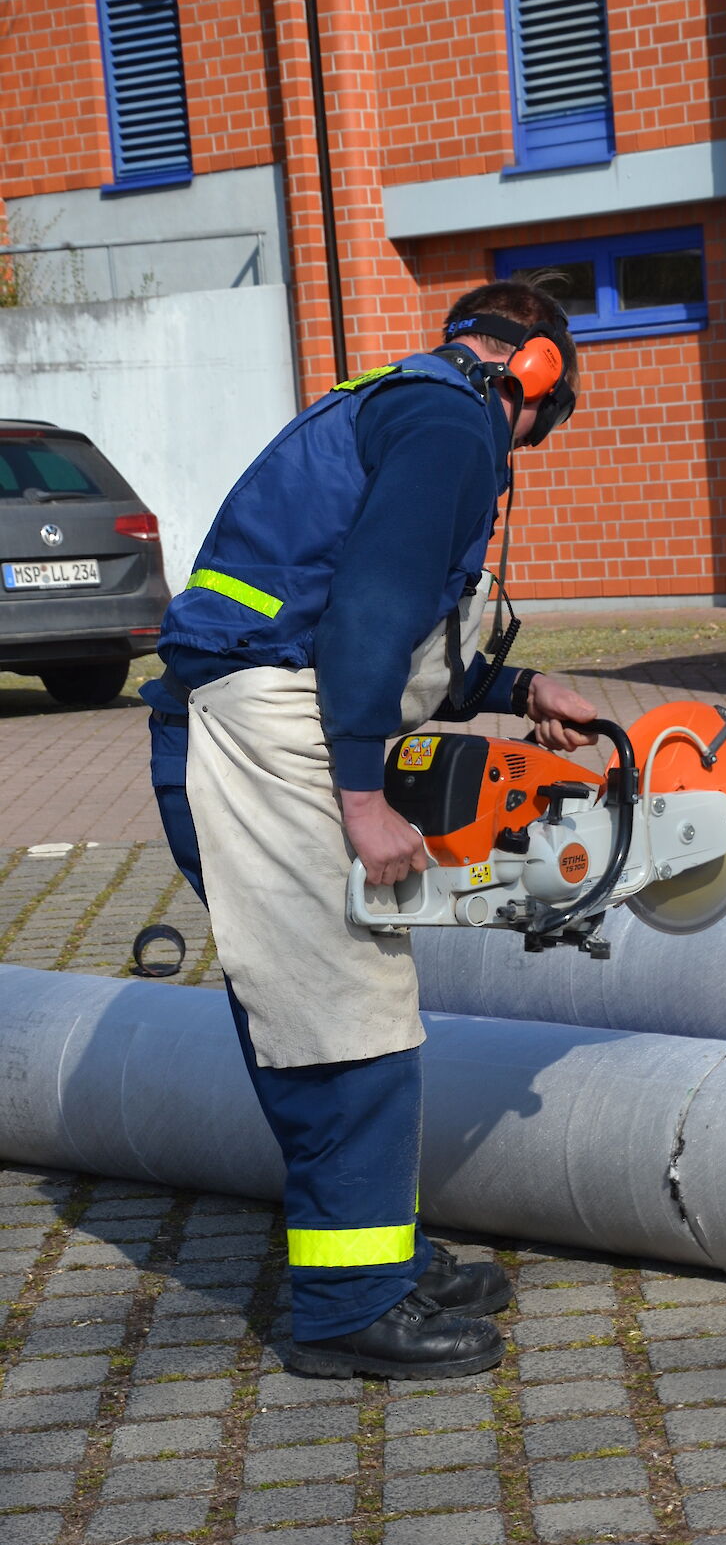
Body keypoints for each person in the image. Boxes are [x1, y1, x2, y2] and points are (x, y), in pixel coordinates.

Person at [142, 277, 597, 1382]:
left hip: (265, 709)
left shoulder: (405, 400)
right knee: (337, 1017)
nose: (525, 447)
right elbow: (373, 616)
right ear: (532, 376)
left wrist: (519, 682)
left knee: (354, 1005)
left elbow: (391, 611)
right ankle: (347, 1310)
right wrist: (362, 796)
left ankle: (380, 1260)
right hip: (269, 731)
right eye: (540, 424)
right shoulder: (452, 424)